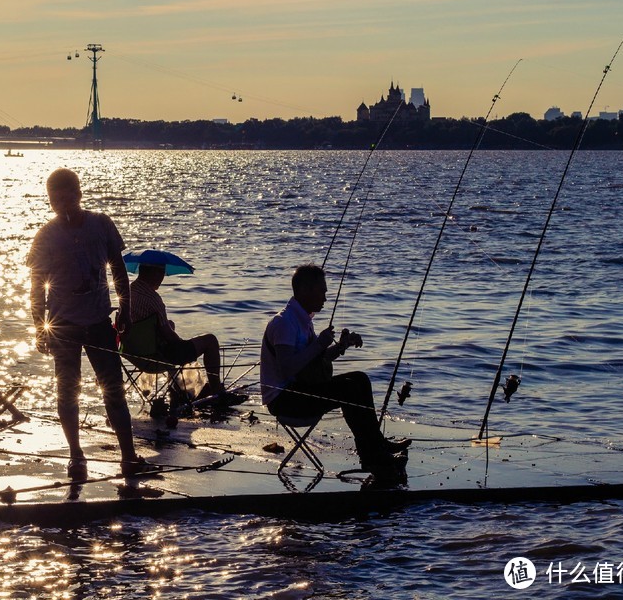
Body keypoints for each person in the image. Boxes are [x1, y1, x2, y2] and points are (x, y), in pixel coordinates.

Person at [27, 168, 155, 482]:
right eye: (52, 199)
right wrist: (38, 326)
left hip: (99, 320)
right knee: (67, 392)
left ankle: (128, 457)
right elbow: (36, 285)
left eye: (64, 196)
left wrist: (125, 308)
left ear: (78, 193)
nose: (59, 204)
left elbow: (118, 269)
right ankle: (76, 456)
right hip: (63, 325)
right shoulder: (46, 234)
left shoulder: (101, 224)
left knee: (113, 390)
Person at [260, 264, 410, 486]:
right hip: (285, 400)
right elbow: (288, 368)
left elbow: (311, 365)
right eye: (322, 291)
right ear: (305, 290)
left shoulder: (303, 321)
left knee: (359, 378)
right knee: (347, 389)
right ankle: (374, 457)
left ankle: (376, 445)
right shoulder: (284, 323)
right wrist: (318, 344)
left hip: (300, 390)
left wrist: (341, 346)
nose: (326, 297)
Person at [127, 263, 246, 406]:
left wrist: (168, 329)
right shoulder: (153, 299)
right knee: (210, 340)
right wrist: (184, 346)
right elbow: (169, 336)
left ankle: (176, 389)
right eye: (161, 273)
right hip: (156, 357)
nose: (162, 278)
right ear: (152, 273)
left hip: (135, 353)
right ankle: (217, 391)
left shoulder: (127, 293)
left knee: (170, 324)